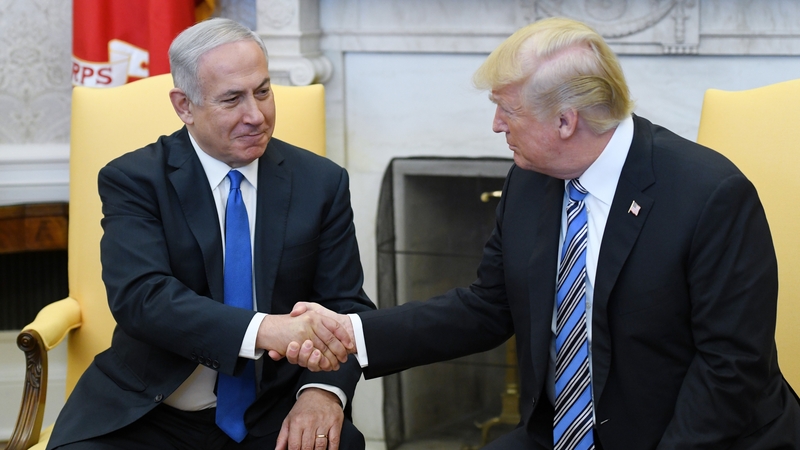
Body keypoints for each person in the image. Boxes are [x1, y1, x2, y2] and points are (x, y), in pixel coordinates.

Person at [284, 17, 800, 450]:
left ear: (565, 122)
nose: (495, 125)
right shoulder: (531, 181)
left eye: (507, 110)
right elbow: (486, 307)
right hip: (559, 433)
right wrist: (351, 334)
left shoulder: (710, 195)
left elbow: (730, 370)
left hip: (690, 436)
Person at [47, 18, 374, 450]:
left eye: (263, 91)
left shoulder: (321, 182)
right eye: (232, 99)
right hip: (152, 411)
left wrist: (321, 393)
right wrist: (265, 330)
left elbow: (346, 305)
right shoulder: (135, 179)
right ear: (184, 106)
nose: (255, 116)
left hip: (274, 410)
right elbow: (143, 298)